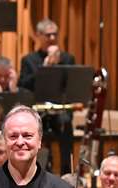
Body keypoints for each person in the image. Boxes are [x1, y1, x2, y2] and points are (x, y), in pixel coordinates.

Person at [18, 19, 75, 175]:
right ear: (38, 36)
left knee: (66, 123)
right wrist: (45, 67)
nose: (52, 38)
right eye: (48, 35)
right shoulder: (29, 60)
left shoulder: (67, 59)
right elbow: (24, 85)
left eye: (54, 34)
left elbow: (71, 87)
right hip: (38, 109)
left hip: (59, 110)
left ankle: (66, 171)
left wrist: (56, 66)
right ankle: (33, 172)